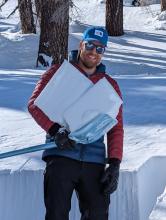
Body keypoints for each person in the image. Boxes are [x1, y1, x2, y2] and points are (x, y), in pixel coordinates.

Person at [28, 26, 124, 220]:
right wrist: (56, 131)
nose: (93, 52)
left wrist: (114, 164)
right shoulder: (59, 73)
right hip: (61, 155)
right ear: (81, 45)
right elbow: (34, 105)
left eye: (100, 49)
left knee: (97, 214)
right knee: (56, 214)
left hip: (94, 161)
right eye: (90, 45)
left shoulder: (109, 85)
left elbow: (116, 127)